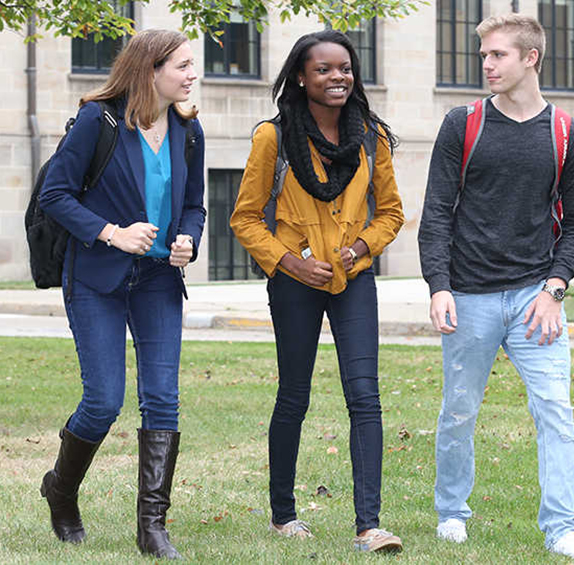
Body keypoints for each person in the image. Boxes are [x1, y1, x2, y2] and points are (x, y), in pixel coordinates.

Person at [418, 14, 574, 561]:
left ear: (530, 59)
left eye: (497, 55)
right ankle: (452, 513)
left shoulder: (569, 134)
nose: (486, 65)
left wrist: (555, 287)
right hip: (469, 295)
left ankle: (563, 528)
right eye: (483, 56)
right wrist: (438, 285)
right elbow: (436, 213)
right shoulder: (462, 124)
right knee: (457, 411)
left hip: (533, 298)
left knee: (556, 412)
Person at [231, 30, 404, 553]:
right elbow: (244, 218)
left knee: (365, 396)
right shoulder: (274, 137)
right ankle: (283, 514)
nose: (338, 77)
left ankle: (369, 526)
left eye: (345, 68)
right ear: (301, 77)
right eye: (324, 69)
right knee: (294, 396)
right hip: (294, 282)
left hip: (353, 280)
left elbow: (392, 213)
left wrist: (360, 250)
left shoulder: (371, 137)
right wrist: (287, 263)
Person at [38, 29, 205, 559]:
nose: (191, 74)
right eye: (181, 65)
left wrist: (188, 240)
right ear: (150, 69)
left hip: (158, 280)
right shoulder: (99, 120)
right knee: (104, 400)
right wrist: (112, 232)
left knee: (162, 399)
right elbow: (54, 194)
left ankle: (152, 528)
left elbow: (195, 206)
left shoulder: (187, 127)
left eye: (190, 65)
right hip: (97, 278)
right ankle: (60, 491)